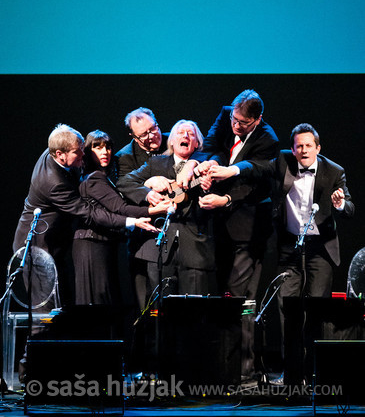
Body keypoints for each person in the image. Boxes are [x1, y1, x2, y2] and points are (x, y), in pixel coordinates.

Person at [234, 123, 355, 384]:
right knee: (286, 309)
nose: (303, 150)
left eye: (308, 145)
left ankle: (315, 373)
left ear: (318, 148)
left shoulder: (334, 171)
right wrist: (232, 169)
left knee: (315, 311)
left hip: (319, 250)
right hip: (290, 247)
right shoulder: (282, 162)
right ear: (292, 148)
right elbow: (257, 168)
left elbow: (350, 207)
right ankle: (291, 373)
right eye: (298, 146)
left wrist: (341, 203)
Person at [178, 89, 279, 383]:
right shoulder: (226, 115)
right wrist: (200, 164)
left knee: (241, 299)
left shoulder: (267, 139)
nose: (236, 126)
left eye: (243, 123)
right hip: (219, 228)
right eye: (234, 119)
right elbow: (208, 144)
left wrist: (229, 178)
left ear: (257, 120)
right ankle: (220, 364)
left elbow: (257, 176)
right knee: (220, 296)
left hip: (248, 232)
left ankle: (244, 371)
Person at [12, 124, 144, 305]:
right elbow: (88, 213)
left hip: (55, 246)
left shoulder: (56, 148)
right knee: (46, 310)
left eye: (83, 148)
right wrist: (130, 221)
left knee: (63, 304)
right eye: (78, 152)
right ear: (60, 154)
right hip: (38, 248)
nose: (84, 154)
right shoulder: (53, 182)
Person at [119, 120, 217, 300]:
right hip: (159, 247)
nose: (185, 136)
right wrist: (148, 189)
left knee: (194, 313)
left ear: (197, 143)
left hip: (195, 249)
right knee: (160, 313)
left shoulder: (207, 164)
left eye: (191, 134)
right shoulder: (156, 163)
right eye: (180, 132)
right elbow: (124, 183)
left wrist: (208, 187)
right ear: (171, 141)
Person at [73, 130, 168, 306]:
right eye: (98, 147)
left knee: (106, 299)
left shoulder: (102, 177)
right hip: (92, 244)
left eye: (108, 147)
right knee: (97, 299)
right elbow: (121, 208)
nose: (105, 152)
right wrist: (154, 210)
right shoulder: (94, 179)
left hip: (100, 242)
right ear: (87, 151)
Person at [115, 107, 169, 310]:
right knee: (146, 303)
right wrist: (147, 190)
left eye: (153, 128)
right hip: (143, 237)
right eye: (143, 134)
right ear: (133, 136)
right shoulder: (124, 156)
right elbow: (124, 185)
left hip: (175, 234)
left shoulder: (172, 141)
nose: (151, 136)